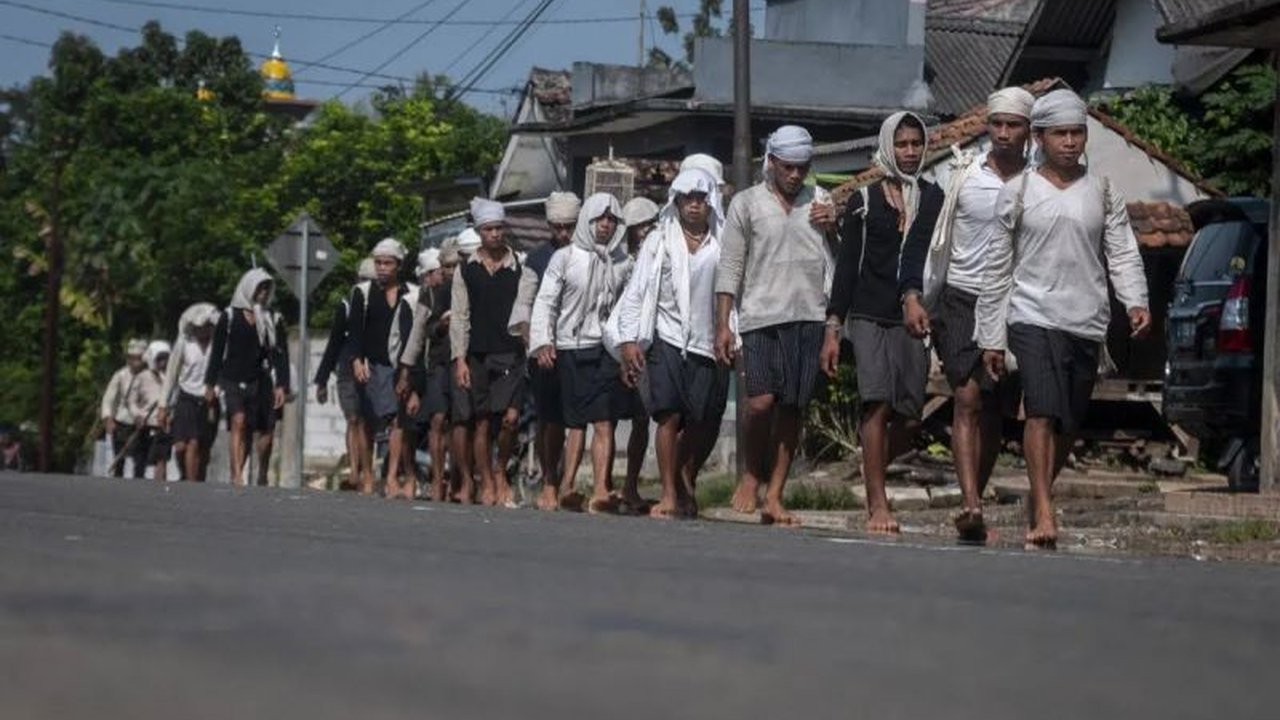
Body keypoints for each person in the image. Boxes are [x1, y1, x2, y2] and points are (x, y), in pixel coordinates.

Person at [976, 88, 1151, 548]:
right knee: (1041, 410)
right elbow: (997, 267)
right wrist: (992, 336)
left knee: (1069, 421)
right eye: (1061, 134)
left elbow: (1122, 252)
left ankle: (1040, 496)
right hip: (1031, 315)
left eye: (1078, 133)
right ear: (1039, 138)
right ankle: (1045, 512)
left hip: (1085, 319)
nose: (1071, 142)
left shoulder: (1103, 190)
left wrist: (1135, 301)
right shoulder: (1017, 192)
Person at [901, 87, 1035, 541]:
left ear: (1027, 131)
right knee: (968, 397)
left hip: (1012, 302)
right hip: (959, 295)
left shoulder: (1036, 182)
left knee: (994, 406)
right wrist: (914, 294)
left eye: (1012, 125)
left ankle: (978, 492)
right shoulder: (962, 175)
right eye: (995, 124)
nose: (1002, 133)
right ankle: (971, 503)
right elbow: (925, 237)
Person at [822, 111, 944, 535]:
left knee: (910, 415)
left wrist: (916, 299)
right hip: (869, 314)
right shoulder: (865, 200)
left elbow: (923, 253)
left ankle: (870, 460)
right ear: (888, 146)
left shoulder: (932, 197)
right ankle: (878, 502)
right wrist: (834, 327)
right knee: (876, 402)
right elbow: (846, 267)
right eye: (902, 144)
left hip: (912, 317)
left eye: (915, 144)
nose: (909, 152)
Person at [715, 125, 836, 526]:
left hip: (807, 315)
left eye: (803, 168)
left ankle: (776, 494)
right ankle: (751, 474)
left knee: (792, 408)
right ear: (771, 163)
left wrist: (833, 224)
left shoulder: (820, 202)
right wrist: (723, 324)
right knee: (760, 402)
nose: (796, 175)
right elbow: (730, 265)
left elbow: (837, 261)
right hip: (760, 316)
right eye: (788, 167)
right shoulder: (746, 204)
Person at [614, 168, 731, 519]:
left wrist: (732, 333)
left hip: (706, 342)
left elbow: (732, 292)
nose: (695, 205)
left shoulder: (722, 241)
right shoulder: (658, 241)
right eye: (687, 199)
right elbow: (636, 293)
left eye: (701, 198)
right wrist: (628, 340)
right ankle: (667, 493)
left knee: (699, 419)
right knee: (668, 415)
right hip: (665, 337)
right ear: (676, 202)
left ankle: (683, 477)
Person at [529, 193, 633, 514]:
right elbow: (546, 300)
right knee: (574, 423)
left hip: (604, 349)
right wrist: (543, 341)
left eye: (611, 220)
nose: (605, 225)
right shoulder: (565, 257)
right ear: (588, 220)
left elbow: (629, 307)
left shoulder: (622, 263)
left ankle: (601, 488)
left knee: (604, 420)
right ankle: (567, 484)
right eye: (599, 219)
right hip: (569, 348)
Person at [451, 198, 536, 507]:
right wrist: (459, 359)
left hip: (511, 352)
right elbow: (460, 316)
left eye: (500, 228)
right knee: (482, 420)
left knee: (511, 419)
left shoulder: (520, 267)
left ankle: (501, 471)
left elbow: (526, 308)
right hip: (477, 353)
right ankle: (486, 479)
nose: (496, 234)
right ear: (480, 231)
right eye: (489, 229)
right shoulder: (466, 270)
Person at [511, 191, 580, 508]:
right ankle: (550, 479)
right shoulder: (536, 260)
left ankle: (568, 483)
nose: (564, 233)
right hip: (545, 351)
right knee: (550, 420)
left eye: (570, 226)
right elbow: (523, 307)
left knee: (578, 420)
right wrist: (535, 342)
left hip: (580, 346)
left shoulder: (588, 255)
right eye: (558, 227)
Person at [205, 268, 289, 488]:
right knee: (238, 421)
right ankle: (237, 474)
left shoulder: (273, 319)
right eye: (259, 288)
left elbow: (280, 353)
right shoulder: (229, 317)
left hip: (261, 379)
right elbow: (217, 351)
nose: (262, 293)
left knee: (265, 431)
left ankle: (262, 471)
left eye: (266, 288)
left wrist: (282, 384)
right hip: (233, 378)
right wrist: (210, 383)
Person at [347, 238, 417, 499]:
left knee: (399, 420)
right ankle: (367, 473)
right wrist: (356, 359)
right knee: (367, 420)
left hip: (399, 365)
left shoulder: (410, 294)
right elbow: (354, 330)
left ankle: (391, 477)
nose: (382, 268)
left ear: (398, 265)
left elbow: (413, 332)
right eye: (378, 263)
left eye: (387, 263)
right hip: (370, 364)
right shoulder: (362, 294)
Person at [397, 246, 456, 501]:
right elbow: (416, 337)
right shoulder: (428, 296)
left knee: (461, 424)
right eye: (446, 267)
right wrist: (406, 374)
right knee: (437, 419)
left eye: (455, 266)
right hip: (435, 366)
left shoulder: (469, 290)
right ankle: (434, 480)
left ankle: (458, 479)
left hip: (465, 364)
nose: (449, 273)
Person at [315, 257, 377, 491]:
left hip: (373, 368)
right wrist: (321, 380)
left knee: (368, 422)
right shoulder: (347, 305)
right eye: (363, 280)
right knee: (353, 418)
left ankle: (367, 470)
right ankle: (354, 471)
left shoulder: (382, 303)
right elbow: (334, 342)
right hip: (347, 369)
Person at [616, 195, 661, 512]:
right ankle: (614, 486)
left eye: (648, 224)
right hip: (624, 345)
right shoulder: (622, 262)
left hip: (656, 343)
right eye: (637, 227)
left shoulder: (662, 253)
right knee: (610, 419)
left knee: (643, 420)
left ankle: (632, 484)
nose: (643, 231)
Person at [159, 303, 222, 482]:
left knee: (200, 445)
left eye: (207, 327)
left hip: (209, 401)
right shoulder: (184, 343)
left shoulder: (219, 346)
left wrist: (216, 391)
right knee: (182, 446)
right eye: (200, 327)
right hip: (186, 399)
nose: (203, 331)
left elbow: (225, 372)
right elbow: (171, 375)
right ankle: (188, 478)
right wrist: (163, 406)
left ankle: (194, 482)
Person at [101, 339, 149, 478]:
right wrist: (108, 418)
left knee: (140, 459)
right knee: (119, 459)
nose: (135, 362)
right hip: (122, 421)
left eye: (138, 358)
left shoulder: (150, 376)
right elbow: (109, 398)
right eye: (132, 358)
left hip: (142, 423)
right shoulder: (120, 375)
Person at [129, 340, 173, 481]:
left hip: (163, 425)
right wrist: (137, 416)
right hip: (145, 425)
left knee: (162, 458)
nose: (163, 362)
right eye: (160, 358)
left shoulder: (171, 378)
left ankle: (159, 485)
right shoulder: (142, 377)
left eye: (166, 358)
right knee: (140, 460)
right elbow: (132, 401)